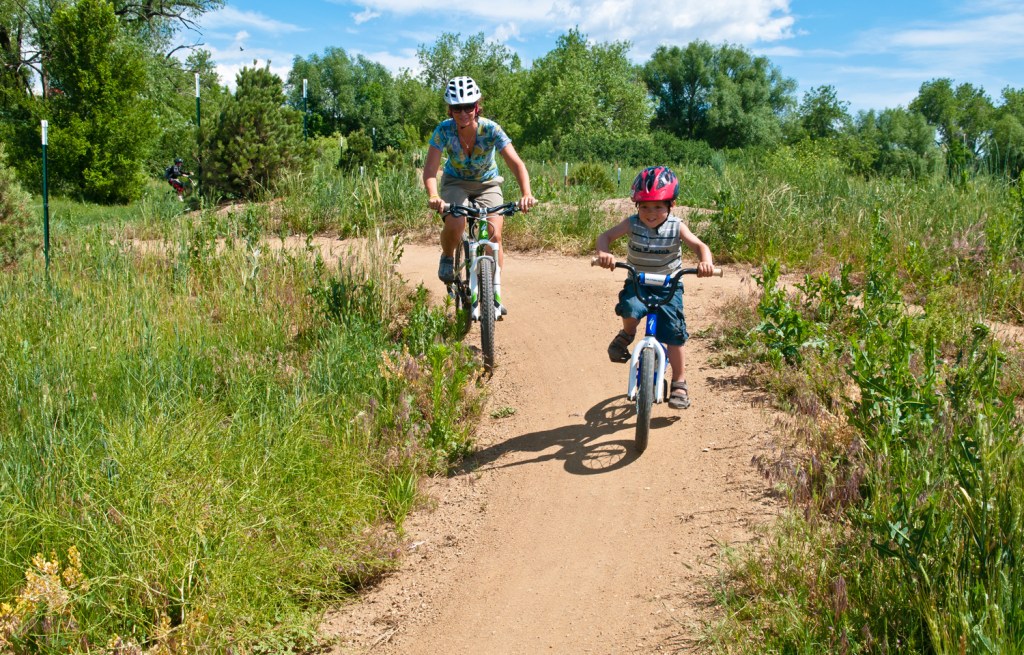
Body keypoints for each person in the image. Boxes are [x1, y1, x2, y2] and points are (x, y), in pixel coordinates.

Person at [593, 166, 715, 410]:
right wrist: (603, 253)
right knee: (630, 308)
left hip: (669, 285)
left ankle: (679, 381)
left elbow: (700, 246)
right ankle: (627, 334)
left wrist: (706, 262)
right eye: (645, 206)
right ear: (636, 206)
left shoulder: (676, 226)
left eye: (658, 206)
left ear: (672, 205)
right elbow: (605, 237)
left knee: (674, 333)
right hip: (638, 281)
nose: (651, 213)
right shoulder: (632, 223)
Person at [423, 76, 537, 317]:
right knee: (456, 222)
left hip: (487, 184)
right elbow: (430, 170)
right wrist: (434, 195)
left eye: (468, 107)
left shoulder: (491, 129)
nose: (463, 112)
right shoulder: (443, 130)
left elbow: (516, 163)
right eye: (457, 108)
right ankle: (446, 255)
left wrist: (526, 194)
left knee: (494, 235)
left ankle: (494, 293)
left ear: (477, 107)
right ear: (450, 109)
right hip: (456, 182)